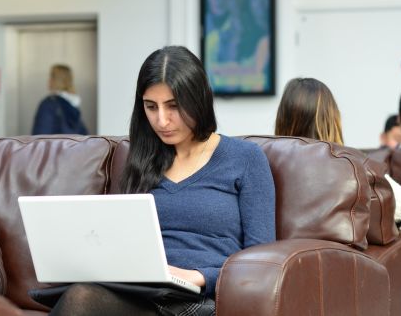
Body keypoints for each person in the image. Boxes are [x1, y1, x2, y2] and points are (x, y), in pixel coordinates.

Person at [46, 46, 275, 316]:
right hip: (141, 294)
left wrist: (199, 276)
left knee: (81, 300)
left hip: (201, 297)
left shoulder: (245, 158)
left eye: (173, 106)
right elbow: (121, 241)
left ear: (198, 100)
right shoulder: (141, 160)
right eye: (151, 107)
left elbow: (261, 261)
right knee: (80, 295)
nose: (162, 120)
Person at [274, 77, 401, 242]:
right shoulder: (356, 169)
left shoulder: (262, 164)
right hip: (342, 268)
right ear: (334, 119)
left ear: (281, 118)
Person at [32, 64, 89, 135]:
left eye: (51, 77)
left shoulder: (49, 104)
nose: (48, 80)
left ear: (55, 80)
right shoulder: (73, 105)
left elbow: (40, 138)